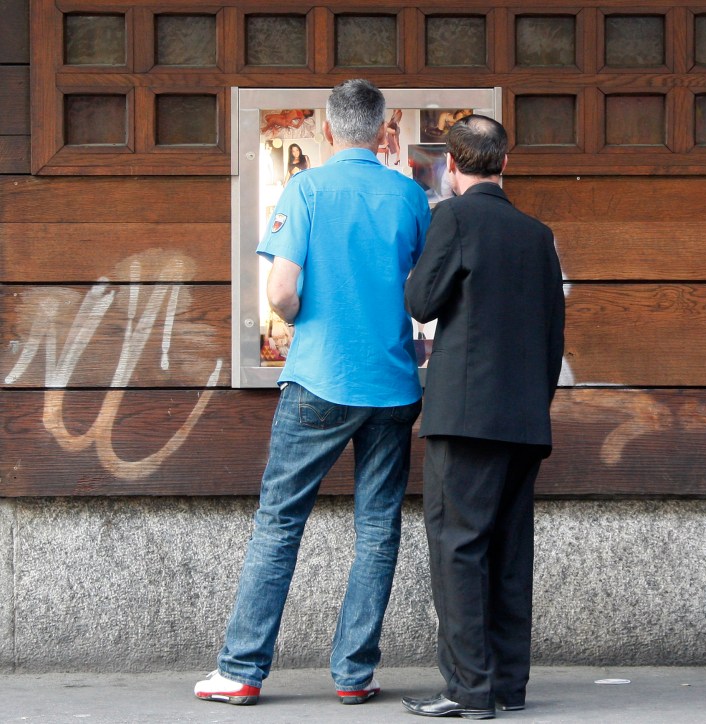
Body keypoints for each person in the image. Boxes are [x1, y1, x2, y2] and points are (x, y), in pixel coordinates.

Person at [194, 79, 431, 706]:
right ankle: (354, 675)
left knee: (280, 522)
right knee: (377, 527)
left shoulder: (306, 188)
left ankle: (242, 669)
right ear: (385, 131)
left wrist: (306, 319)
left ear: (327, 130)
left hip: (320, 378)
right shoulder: (410, 196)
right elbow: (427, 293)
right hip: (392, 384)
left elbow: (279, 291)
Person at [401, 115, 565, 719]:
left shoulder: (454, 217)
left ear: (450, 165)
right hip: (524, 419)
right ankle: (507, 686)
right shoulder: (536, 233)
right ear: (505, 163)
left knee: (458, 549)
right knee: (508, 551)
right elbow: (554, 335)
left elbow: (421, 300)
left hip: (465, 416)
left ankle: (468, 690)